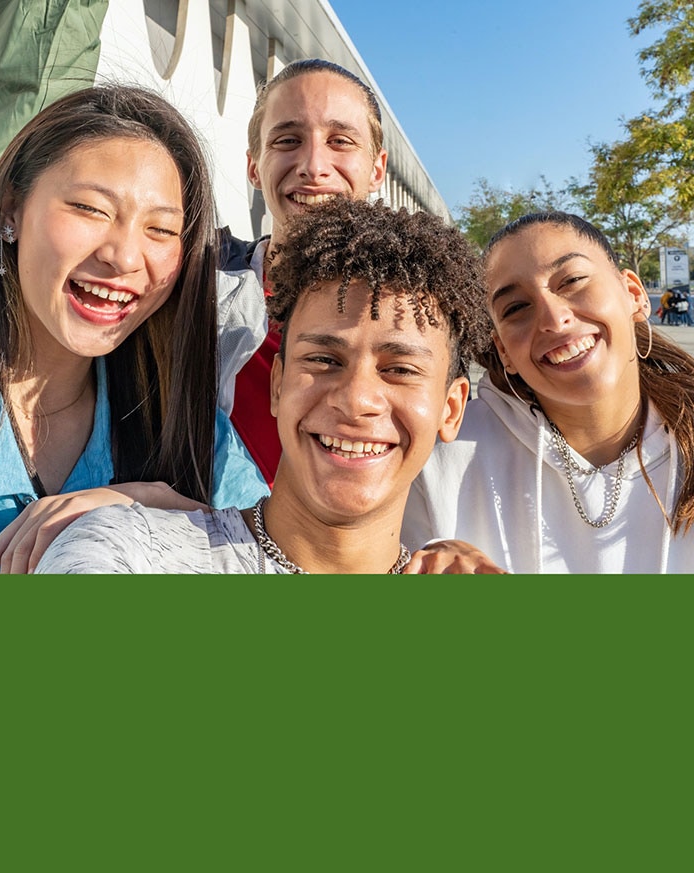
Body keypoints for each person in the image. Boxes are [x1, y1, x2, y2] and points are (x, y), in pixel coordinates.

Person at [34, 196, 495, 574]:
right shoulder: (127, 553)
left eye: (399, 369)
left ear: (450, 409)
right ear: (277, 385)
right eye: (323, 359)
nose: (357, 400)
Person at [0, 83, 264, 572]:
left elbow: (274, 557)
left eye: (161, 229)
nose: (125, 257)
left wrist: (160, 514)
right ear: (11, 210)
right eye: (91, 209)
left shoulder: (184, 425)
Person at [403, 210, 694, 574]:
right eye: (517, 307)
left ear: (633, 294)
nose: (554, 319)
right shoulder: (437, 460)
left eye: (572, 280)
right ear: (503, 350)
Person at [214, 57, 389, 507]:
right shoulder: (192, 284)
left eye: (341, 141)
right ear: (254, 167)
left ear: (377, 169)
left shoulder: (415, 314)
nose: (313, 165)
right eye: (288, 140)